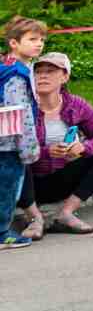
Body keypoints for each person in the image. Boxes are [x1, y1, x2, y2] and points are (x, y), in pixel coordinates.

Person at [15, 50, 93, 238]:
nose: (42, 75)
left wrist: (84, 148)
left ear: (65, 76)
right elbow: (10, 146)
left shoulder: (76, 104)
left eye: (50, 71)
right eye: (38, 71)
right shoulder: (22, 105)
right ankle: (35, 218)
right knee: (13, 156)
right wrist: (44, 153)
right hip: (24, 184)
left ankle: (67, 213)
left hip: (62, 179)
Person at [0, 22, 38, 249]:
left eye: (41, 39)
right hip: (9, 142)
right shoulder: (17, 74)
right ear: (14, 43)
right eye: (32, 40)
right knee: (6, 189)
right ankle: (2, 233)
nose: (39, 44)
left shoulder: (6, 65)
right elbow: (20, 112)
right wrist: (28, 147)